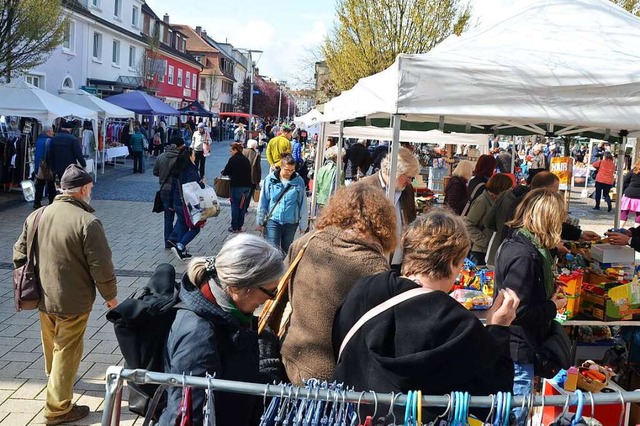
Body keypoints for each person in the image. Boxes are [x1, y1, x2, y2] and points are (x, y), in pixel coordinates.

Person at [333, 210, 518, 419]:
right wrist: (498, 329)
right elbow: (494, 398)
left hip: (351, 416)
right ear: (450, 263)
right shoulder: (455, 322)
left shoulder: (363, 290)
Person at [13, 164, 118, 425]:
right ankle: (58, 408)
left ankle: (56, 380)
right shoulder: (88, 222)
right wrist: (111, 297)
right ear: (82, 189)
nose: (90, 192)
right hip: (74, 300)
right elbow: (101, 266)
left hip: (43, 296)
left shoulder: (37, 215)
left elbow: (18, 253)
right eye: (90, 188)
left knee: (52, 344)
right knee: (66, 350)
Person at [274, 184, 397, 384]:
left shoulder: (305, 242)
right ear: (382, 222)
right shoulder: (374, 268)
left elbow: (279, 294)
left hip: (289, 357)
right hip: (335, 377)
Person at [160, 234, 285, 426]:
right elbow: (187, 416)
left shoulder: (228, 310)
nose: (270, 299)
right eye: (270, 291)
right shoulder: (198, 336)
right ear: (237, 288)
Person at [494, 189, 568, 406]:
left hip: (517, 346)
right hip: (519, 349)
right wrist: (553, 306)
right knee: (515, 413)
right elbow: (518, 311)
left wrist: (547, 291)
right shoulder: (525, 255)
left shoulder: (518, 244)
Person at [359, 147, 419, 270]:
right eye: (408, 177)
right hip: (371, 261)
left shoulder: (407, 190)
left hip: (398, 262)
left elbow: (411, 220)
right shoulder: (365, 187)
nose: (409, 182)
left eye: (411, 178)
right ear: (394, 171)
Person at [257, 155, 308, 254]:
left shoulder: (298, 181)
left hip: (291, 222)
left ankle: (284, 269)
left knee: (286, 251)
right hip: (273, 220)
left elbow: (303, 204)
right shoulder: (270, 179)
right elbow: (263, 201)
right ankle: (273, 269)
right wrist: (259, 220)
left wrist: (303, 224)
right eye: (287, 170)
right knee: (273, 250)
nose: (290, 172)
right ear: (281, 166)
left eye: (292, 170)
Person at [465, 173, 513, 266]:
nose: (510, 190)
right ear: (501, 187)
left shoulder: (498, 201)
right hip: (480, 251)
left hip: (490, 249)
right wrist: (484, 241)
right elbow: (468, 224)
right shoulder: (482, 201)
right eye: (509, 187)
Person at [169, 148, 204, 261]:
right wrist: (202, 184)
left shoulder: (178, 168)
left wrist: (171, 202)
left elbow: (173, 186)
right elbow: (193, 187)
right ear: (189, 156)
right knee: (195, 228)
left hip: (177, 201)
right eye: (193, 155)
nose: (195, 157)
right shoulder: (191, 170)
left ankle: (182, 252)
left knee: (183, 226)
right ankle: (180, 246)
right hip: (188, 203)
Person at [154, 135, 186, 249]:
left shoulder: (161, 156)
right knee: (182, 217)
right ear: (178, 146)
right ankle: (174, 238)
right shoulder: (180, 158)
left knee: (168, 218)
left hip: (164, 190)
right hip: (177, 190)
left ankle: (167, 242)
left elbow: (155, 172)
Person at [222, 142, 253, 233]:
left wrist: (226, 172)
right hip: (247, 186)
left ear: (235, 150)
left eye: (231, 151)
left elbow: (225, 172)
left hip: (237, 186)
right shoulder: (245, 159)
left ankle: (234, 226)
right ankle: (240, 226)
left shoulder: (233, 159)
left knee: (235, 205)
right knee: (242, 206)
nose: (230, 152)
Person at [33, 125, 56, 209]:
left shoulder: (38, 140)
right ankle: (52, 201)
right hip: (46, 165)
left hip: (38, 164)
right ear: (47, 132)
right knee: (50, 184)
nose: (53, 132)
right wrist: (52, 166)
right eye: (51, 131)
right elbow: (49, 154)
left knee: (39, 184)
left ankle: (37, 202)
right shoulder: (49, 141)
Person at [242, 139, 262, 207]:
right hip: (251, 177)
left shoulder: (242, 151)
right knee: (249, 193)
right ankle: (245, 207)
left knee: (241, 192)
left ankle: (241, 205)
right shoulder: (256, 155)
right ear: (255, 146)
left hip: (241, 175)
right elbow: (258, 169)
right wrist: (258, 180)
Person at [620, 160, 640, 225]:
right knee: (639, 216)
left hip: (629, 194)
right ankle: (635, 233)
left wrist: (623, 192)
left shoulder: (633, 171)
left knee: (624, 213)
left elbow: (625, 181)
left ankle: (619, 230)